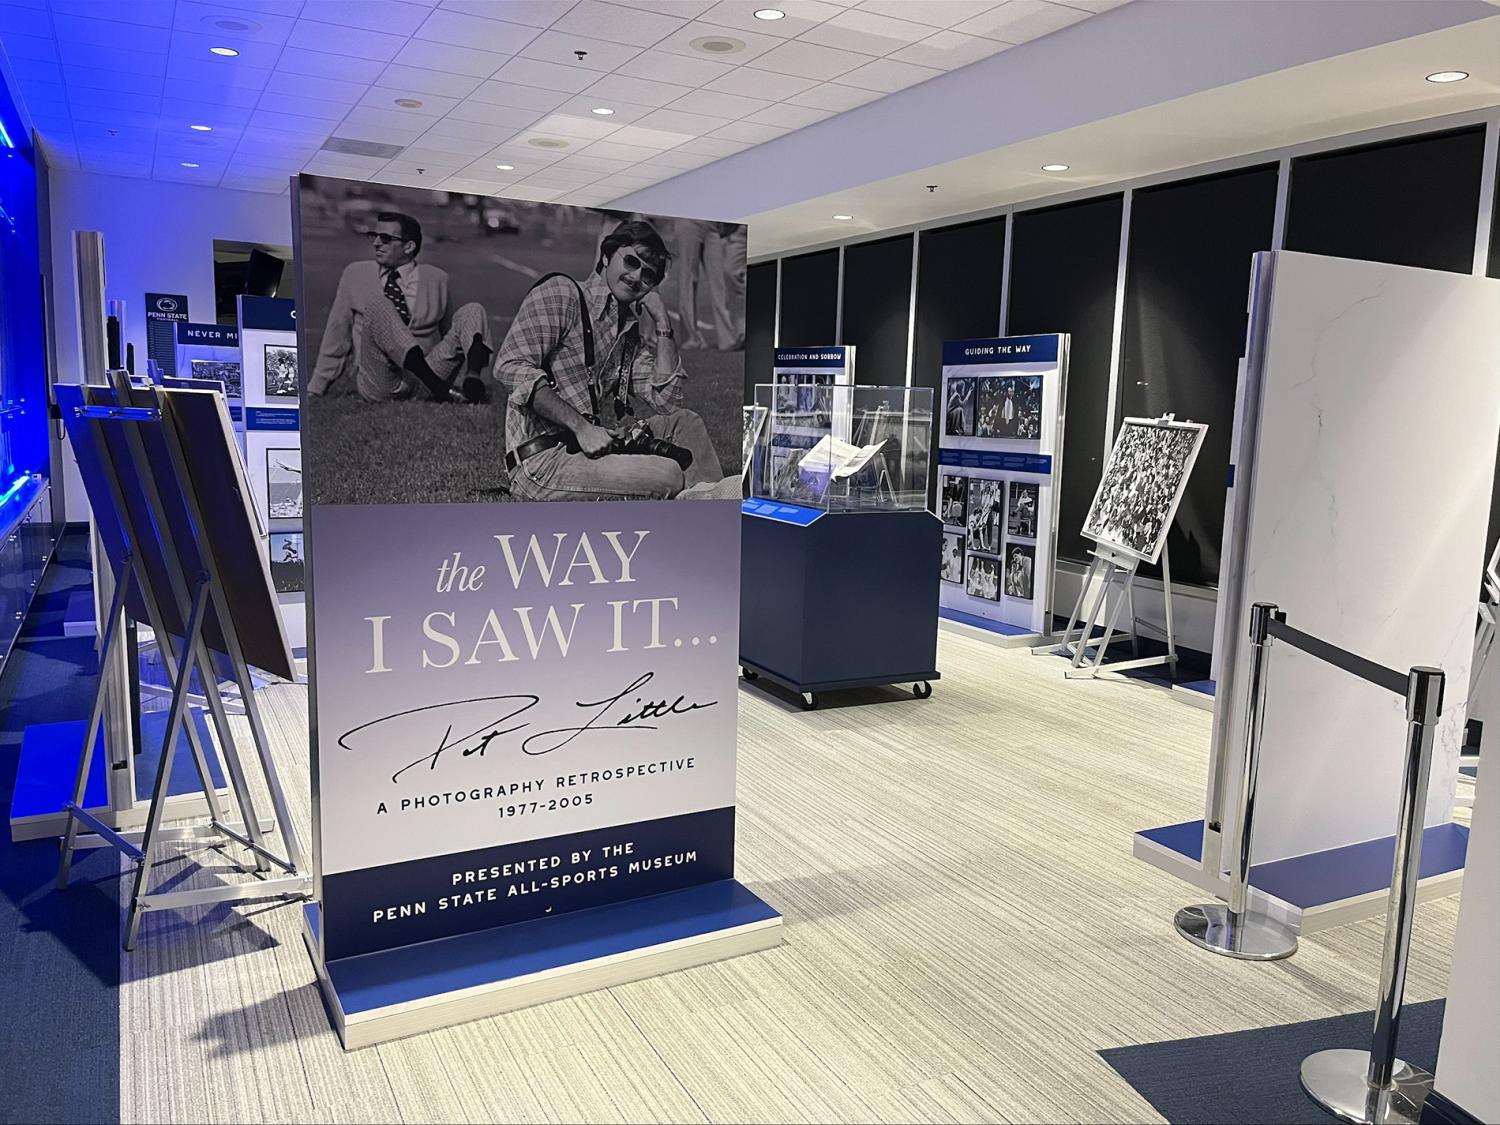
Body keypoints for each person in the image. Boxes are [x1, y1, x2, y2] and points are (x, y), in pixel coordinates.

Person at [495, 219, 726, 502]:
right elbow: (511, 367)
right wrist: (582, 428)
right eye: (631, 261)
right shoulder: (562, 292)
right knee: (668, 474)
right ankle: (707, 500)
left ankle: (713, 503)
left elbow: (667, 401)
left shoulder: (627, 331)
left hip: (589, 449)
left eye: (648, 275)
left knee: (685, 423)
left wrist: (663, 324)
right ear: (606, 256)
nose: (636, 276)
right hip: (542, 463)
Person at [308, 211, 492, 404]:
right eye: (375, 236)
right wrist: (316, 388)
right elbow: (337, 333)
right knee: (378, 303)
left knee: (473, 310)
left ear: (409, 246)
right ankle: (441, 390)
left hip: (428, 374)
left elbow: (450, 333)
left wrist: (458, 371)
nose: (376, 243)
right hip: (381, 380)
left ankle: (472, 378)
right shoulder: (354, 274)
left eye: (385, 238)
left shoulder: (437, 278)